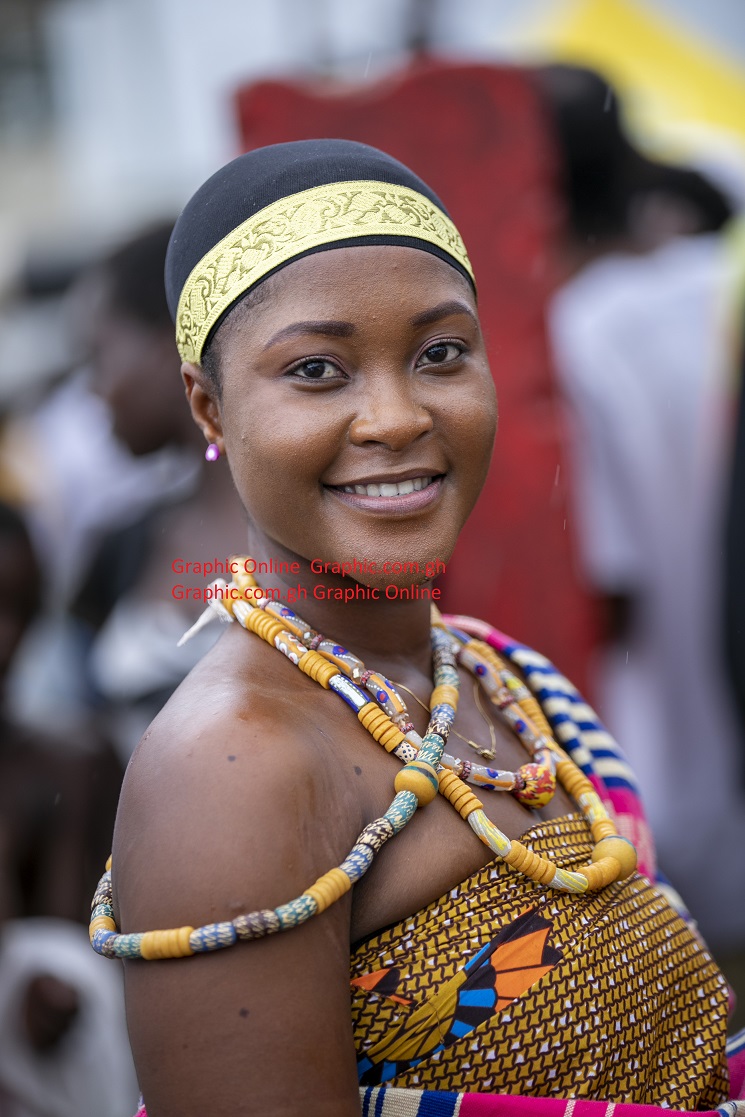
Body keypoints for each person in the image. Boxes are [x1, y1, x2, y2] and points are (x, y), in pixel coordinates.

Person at [91, 140, 742, 1116]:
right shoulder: (235, 765)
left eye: (440, 353)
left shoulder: (490, 676)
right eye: (318, 369)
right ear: (208, 402)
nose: (396, 416)